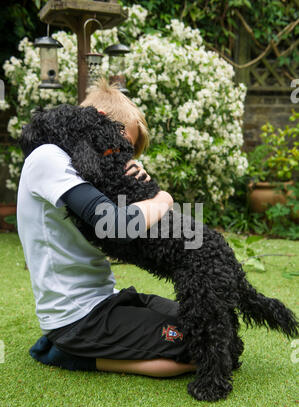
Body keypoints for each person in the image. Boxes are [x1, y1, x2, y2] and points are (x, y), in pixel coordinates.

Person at [18, 78, 196, 378]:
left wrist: (140, 188)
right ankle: (68, 353)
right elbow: (116, 225)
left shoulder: (94, 171)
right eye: (120, 146)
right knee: (198, 347)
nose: (120, 157)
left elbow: (135, 236)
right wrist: (162, 199)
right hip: (76, 317)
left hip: (108, 299)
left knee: (208, 323)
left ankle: (85, 347)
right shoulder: (49, 158)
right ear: (96, 125)